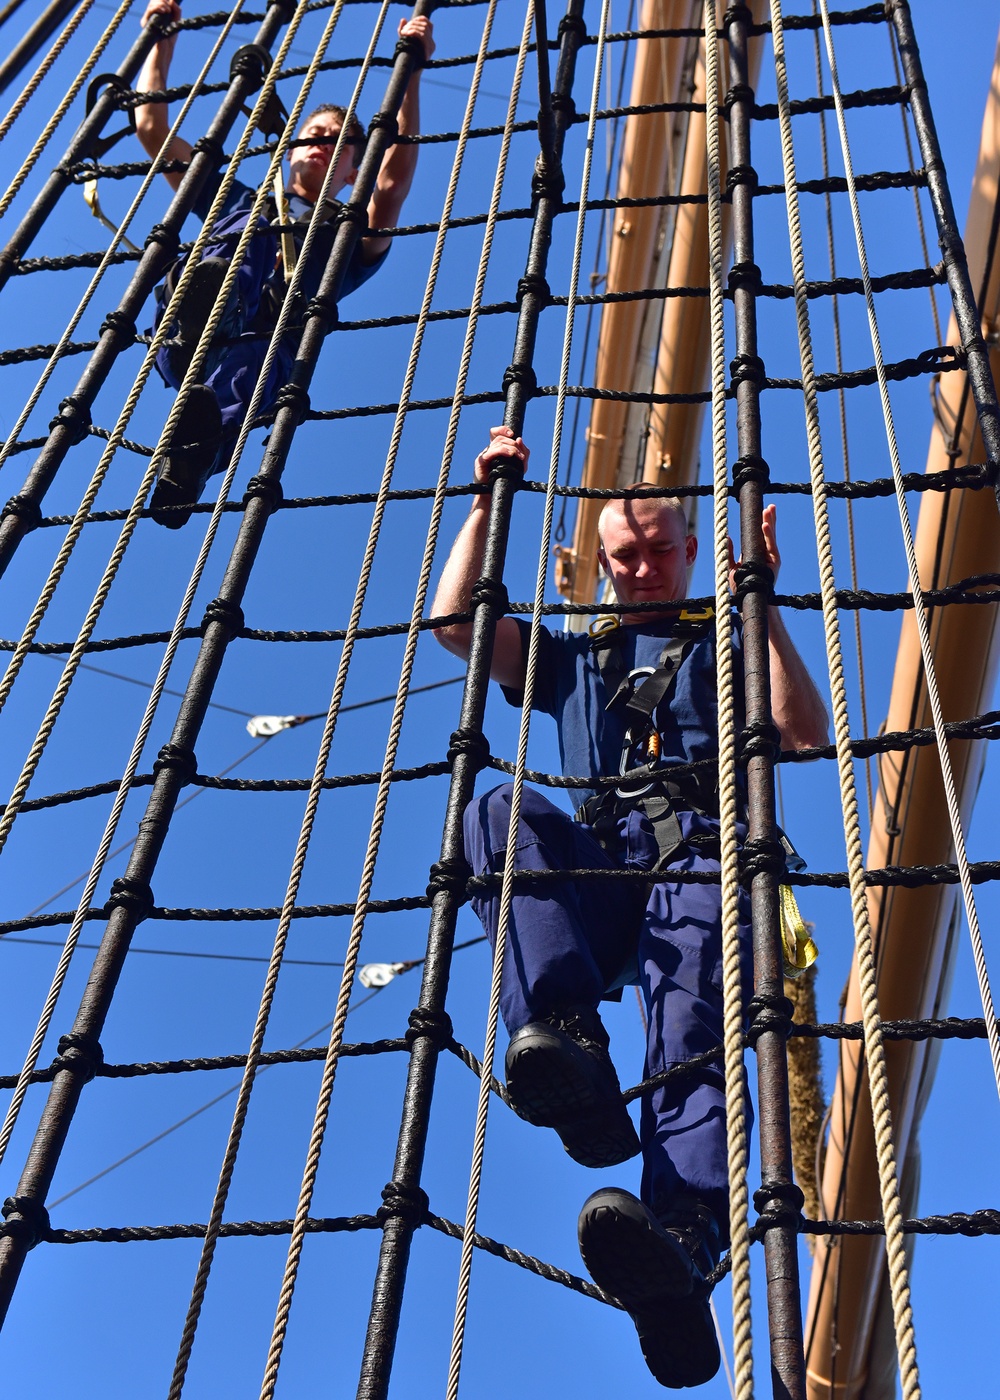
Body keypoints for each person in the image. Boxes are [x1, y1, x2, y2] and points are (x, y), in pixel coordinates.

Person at [432, 426, 828, 1388]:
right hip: (601, 875)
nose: (644, 567)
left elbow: (802, 736)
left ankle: (683, 1241)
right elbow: (456, 622)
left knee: (691, 1013)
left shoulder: (726, 641)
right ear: (602, 566)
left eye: (660, 550)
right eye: (625, 555)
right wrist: (492, 498)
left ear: (691, 551)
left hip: (701, 854)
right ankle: (566, 1040)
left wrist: (763, 609)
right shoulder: (573, 659)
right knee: (492, 811)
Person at [134, 0, 434, 526]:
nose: (325, 146)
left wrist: (411, 74)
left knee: (262, 360)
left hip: (259, 354)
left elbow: (393, 182)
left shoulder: (347, 238)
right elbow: (152, 128)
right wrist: (162, 41)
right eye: (316, 135)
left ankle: (188, 464)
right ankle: (210, 311)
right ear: (290, 147)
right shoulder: (232, 198)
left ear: (351, 171)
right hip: (186, 330)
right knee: (248, 232)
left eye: (341, 145)